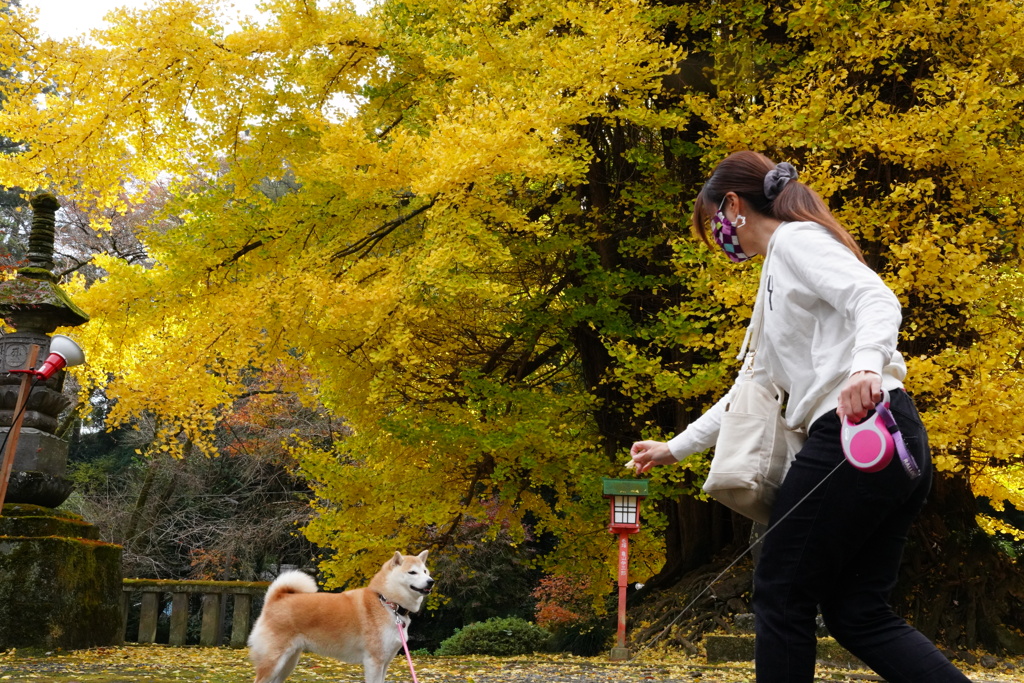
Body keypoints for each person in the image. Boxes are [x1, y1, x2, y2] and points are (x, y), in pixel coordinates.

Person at [628, 151, 970, 683]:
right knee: (858, 613)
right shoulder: (774, 275)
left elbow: (875, 298)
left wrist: (865, 366)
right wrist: (675, 448)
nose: (717, 239)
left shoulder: (796, 241)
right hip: (893, 440)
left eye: (713, 223)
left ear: (733, 206)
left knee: (782, 590)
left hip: (856, 433)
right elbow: (754, 387)